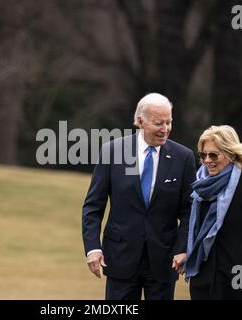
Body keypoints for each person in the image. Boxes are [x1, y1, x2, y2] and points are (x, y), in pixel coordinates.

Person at [82, 93, 196, 300]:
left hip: (164, 260)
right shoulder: (113, 151)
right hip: (120, 257)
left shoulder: (184, 157)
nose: (165, 129)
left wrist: (183, 248)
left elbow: (189, 210)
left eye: (169, 122)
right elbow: (93, 207)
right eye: (158, 123)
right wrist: (92, 248)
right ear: (140, 121)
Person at [184, 125, 242, 300]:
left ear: (231, 154)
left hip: (240, 277)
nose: (207, 160)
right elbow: (193, 228)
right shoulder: (200, 188)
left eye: (213, 154)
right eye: (203, 154)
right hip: (204, 278)